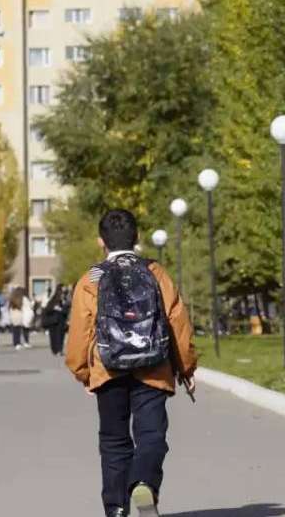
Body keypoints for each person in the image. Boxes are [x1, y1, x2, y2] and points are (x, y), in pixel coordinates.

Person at [66, 209, 197, 517]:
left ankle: (116, 509)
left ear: (101, 242)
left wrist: (84, 373)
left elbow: (80, 332)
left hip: (108, 368)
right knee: (151, 435)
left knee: (113, 441)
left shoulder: (91, 279)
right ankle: (143, 483)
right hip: (153, 367)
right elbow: (176, 321)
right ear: (137, 238)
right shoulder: (156, 273)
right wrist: (186, 368)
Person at [41, 285, 70, 356]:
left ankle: (59, 350)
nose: (63, 294)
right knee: (53, 336)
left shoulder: (65, 301)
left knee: (61, 336)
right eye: (62, 292)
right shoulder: (53, 300)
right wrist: (54, 308)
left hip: (62, 322)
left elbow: (66, 311)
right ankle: (55, 350)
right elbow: (47, 310)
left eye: (65, 292)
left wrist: (61, 309)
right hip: (53, 322)